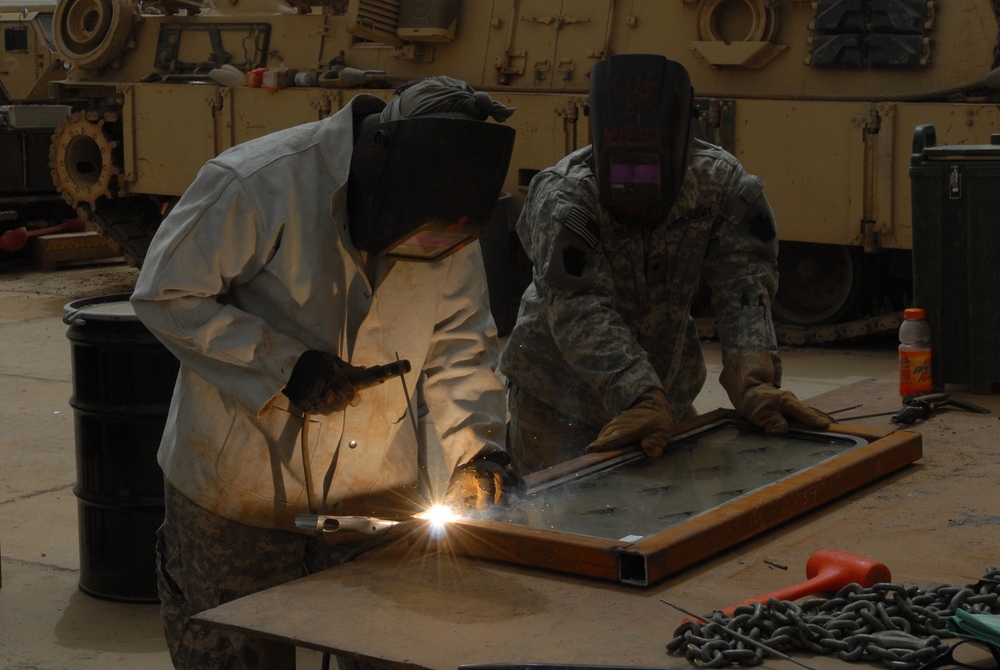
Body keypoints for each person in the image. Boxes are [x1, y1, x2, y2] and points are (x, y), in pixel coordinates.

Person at [130, 76, 522, 669]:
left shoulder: (449, 213)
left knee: (394, 651)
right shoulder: (259, 182)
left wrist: (477, 450)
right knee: (236, 656)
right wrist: (283, 365)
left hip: (376, 501)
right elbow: (165, 293)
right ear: (372, 156)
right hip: (240, 497)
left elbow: (459, 346)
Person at [498, 54, 834, 476]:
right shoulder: (565, 198)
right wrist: (639, 395)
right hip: (557, 401)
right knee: (554, 522)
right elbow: (577, 305)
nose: (638, 182)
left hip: (665, 392)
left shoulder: (720, 185)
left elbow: (745, 282)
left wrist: (754, 379)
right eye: (624, 166)